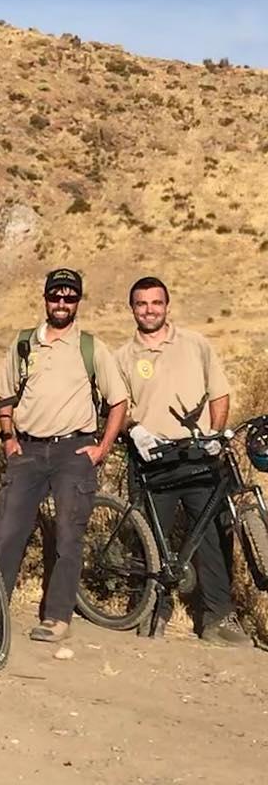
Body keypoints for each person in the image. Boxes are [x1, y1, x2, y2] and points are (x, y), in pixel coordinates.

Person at [0, 267, 128, 643]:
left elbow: (118, 400)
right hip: (28, 448)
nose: (62, 304)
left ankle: (57, 616)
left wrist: (101, 447)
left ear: (78, 302)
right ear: (46, 298)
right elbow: (5, 395)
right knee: (7, 532)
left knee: (69, 534)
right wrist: (7, 436)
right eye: (56, 296)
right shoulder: (24, 343)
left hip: (73, 449)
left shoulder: (90, 346)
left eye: (70, 298)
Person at [116, 276, 249, 646]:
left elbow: (218, 392)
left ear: (167, 306)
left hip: (197, 455)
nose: (149, 310)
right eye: (141, 304)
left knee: (211, 537)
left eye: (156, 303)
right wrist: (135, 430)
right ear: (132, 310)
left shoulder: (195, 344)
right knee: (150, 540)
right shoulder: (121, 358)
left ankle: (217, 618)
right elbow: (117, 407)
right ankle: (152, 612)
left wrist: (215, 436)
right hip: (150, 459)